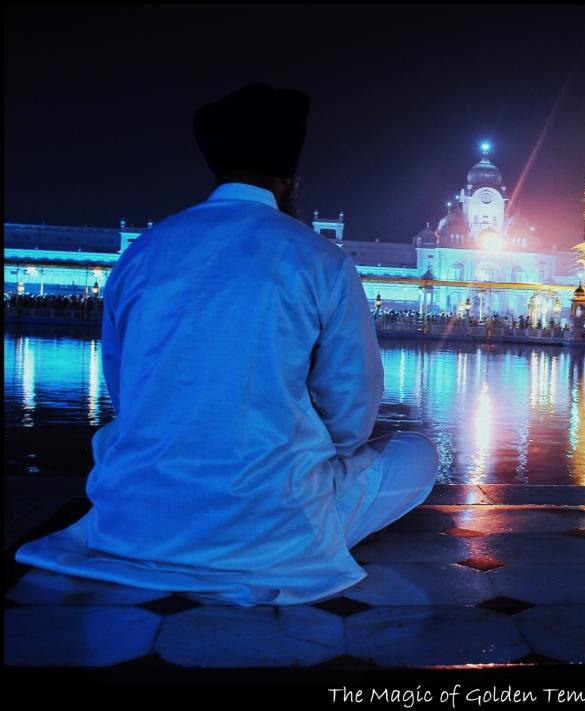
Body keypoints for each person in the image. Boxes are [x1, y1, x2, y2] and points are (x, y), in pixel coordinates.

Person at [15, 83, 439, 606]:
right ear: (290, 181)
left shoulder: (144, 251)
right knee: (417, 453)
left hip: (136, 521)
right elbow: (353, 408)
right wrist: (298, 457)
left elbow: (125, 392)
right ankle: (282, 536)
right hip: (274, 528)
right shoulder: (319, 259)